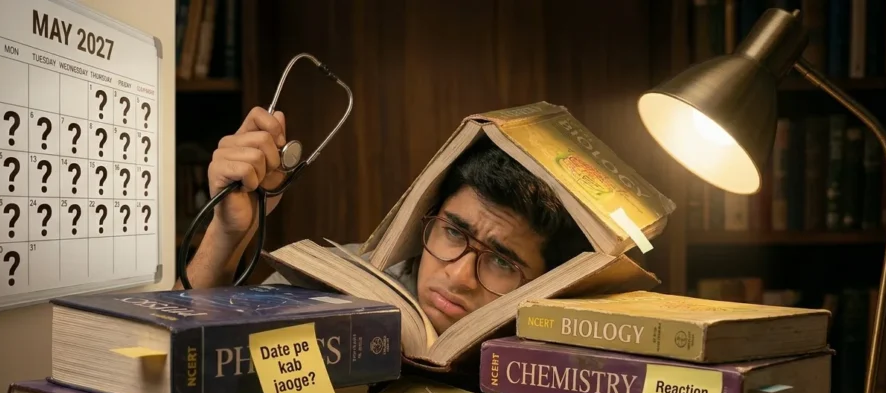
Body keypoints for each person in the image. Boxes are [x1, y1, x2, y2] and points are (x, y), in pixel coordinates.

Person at [177, 107, 592, 334]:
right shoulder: (335, 284)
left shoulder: (550, 343)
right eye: (453, 231)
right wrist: (227, 234)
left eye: (502, 261)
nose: (460, 276)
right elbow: (173, 354)